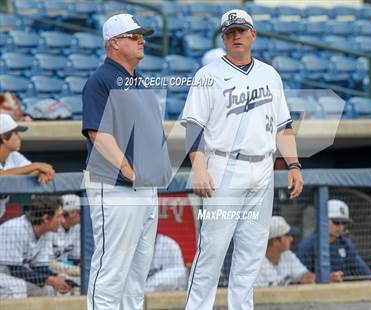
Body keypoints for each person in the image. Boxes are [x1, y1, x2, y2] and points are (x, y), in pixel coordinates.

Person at [181, 9, 304, 309]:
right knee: (212, 250)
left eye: (241, 30)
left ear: (253, 34)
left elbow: (283, 127)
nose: (236, 35)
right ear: (223, 38)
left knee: (251, 252)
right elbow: (194, 125)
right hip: (224, 166)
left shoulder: (269, 74)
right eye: (230, 32)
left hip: (262, 167)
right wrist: (198, 166)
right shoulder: (207, 75)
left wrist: (294, 165)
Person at [82, 13, 171, 310]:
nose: (142, 40)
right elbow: (98, 132)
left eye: (141, 35)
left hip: (145, 188)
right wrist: (127, 169)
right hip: (116, 185)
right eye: (134, 36)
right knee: (111, 269)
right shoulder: (100, 80)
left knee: (137, 274)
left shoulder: (140, 81)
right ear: (114, 43)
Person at [0, 196, 72, 298]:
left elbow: (39, 267)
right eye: (59, 216)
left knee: (50, 287)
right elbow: (15, 270)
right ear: (46, 218)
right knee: (17, 287)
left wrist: (56, 277)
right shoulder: (15, 228)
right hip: (7, 274)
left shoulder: (46, 233)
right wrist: (51, 280)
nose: (63, 221)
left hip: (10, 275)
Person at [297, 199, 371, 282]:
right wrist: (325, 279)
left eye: (344, 223)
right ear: (323, 219)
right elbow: (301, 278)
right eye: (337, 222)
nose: (340, 227)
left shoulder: (345, 244)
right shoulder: (308, 245)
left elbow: (365, 273)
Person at [0, 114, 55, 218]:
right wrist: (36, 166)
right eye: (15, 133)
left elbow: (31, 170)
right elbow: (1, 175)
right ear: (3, 137)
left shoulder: (14, 156)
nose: (19, 137)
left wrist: (41, 172)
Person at [255, 216, 315, 287]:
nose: (291, 239)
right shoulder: (255, 264)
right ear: (275, 241)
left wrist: (310, 278)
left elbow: (305, 275)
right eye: (287, 235)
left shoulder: (287, 254)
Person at [49, 194, 81, 280]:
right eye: (80, 212)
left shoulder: (78, 227)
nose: (83, 215)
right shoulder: (51, 226)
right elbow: (46, 262)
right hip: (47, 269)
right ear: (72, 213)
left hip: (65, 267)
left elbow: (76, 258)